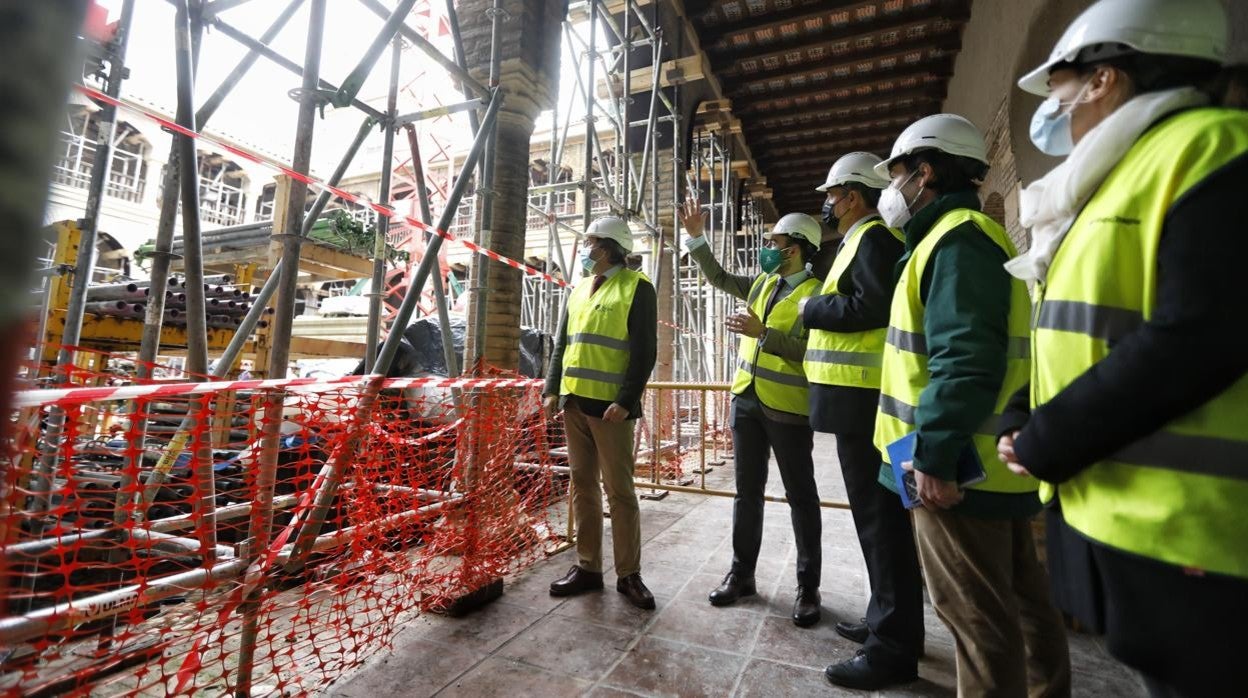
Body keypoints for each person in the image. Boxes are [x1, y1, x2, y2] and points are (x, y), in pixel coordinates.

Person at [998, 1, 1248, 695]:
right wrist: (1029, 408)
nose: (1055, 107)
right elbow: (1091, 324)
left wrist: (1052, 433)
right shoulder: (1118, 178)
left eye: (1059, 86)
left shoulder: (1214, 148)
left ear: (1103, 78)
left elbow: (1203, 333)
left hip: (1203, 534)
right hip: (1131, 511)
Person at [871, 114, 1071, 696]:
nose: (894, 190)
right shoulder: (973, 236)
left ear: (925, 171)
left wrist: (933, 454)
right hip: (978, 461)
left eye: (899, 174)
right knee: (1026, 607)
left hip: (955, 467)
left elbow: (964, 360)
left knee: (976, 621)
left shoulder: (956, 240)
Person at [799, 153, 923, 689]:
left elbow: (869, 307)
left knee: (882, 523)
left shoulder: (872, 240)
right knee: (876, 523)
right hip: (855, 402)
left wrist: (811, 309)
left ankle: (892, 647)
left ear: (851, 196)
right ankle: (884, 619)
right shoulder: (859, 241)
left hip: (865, 401)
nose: (827, 204)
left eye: (831, 195)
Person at [677, 202, 824, 627]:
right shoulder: (764, 283)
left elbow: (812, 353)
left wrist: (765, 334)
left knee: (802, 497)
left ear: (795, 249)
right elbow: (720, 278)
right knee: (746, 493)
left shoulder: (816, 295)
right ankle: (741, 576)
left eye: (774, 244)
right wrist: (697, 238)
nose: (767, 249)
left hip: (788, 409)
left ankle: (807, 588)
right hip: (746, 401)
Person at [544, 216, 658, 610]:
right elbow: (563, 344)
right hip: (574, 401)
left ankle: (628, 574)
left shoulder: (638, 288)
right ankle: (588, 567)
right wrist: (551, 389)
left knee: (620, 491)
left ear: (608, 248)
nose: (585, 249)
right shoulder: (578, 290)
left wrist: (626, 400)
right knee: (583, 486)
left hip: (611, 409)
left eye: (591, 242)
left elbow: (644, 351)